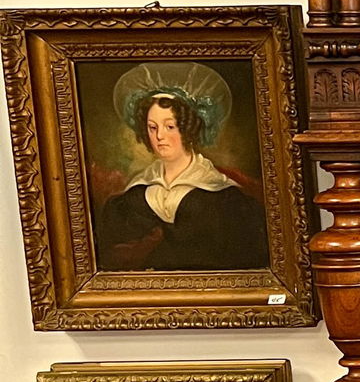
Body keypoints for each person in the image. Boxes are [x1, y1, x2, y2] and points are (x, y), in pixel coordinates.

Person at [94, 63, 269, 272]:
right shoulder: (129, 199)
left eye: (170, 127)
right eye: (152, 127)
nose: (159, 136)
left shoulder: (227, 198)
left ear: (188, 127)